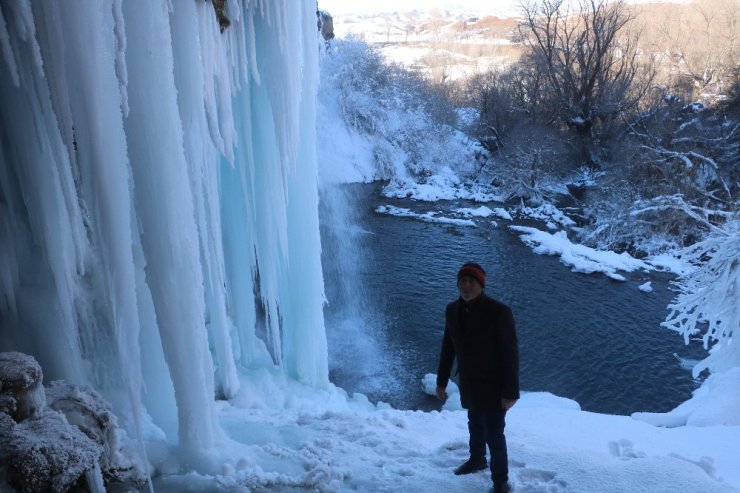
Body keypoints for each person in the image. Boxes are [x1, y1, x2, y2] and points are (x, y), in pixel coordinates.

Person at [436, 262, 520, 493]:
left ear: (481, 285)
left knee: (494, 433)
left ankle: (500, 482)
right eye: (462, 281)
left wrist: (510, 392)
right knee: (474, 422)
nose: (466, 286)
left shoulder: (499, 311)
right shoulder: (452, 309)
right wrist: (441, 381)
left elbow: (510, 354)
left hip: (494, 385)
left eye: (471, 281)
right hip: (469, 382)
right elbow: (448, 348)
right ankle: (477, 459)